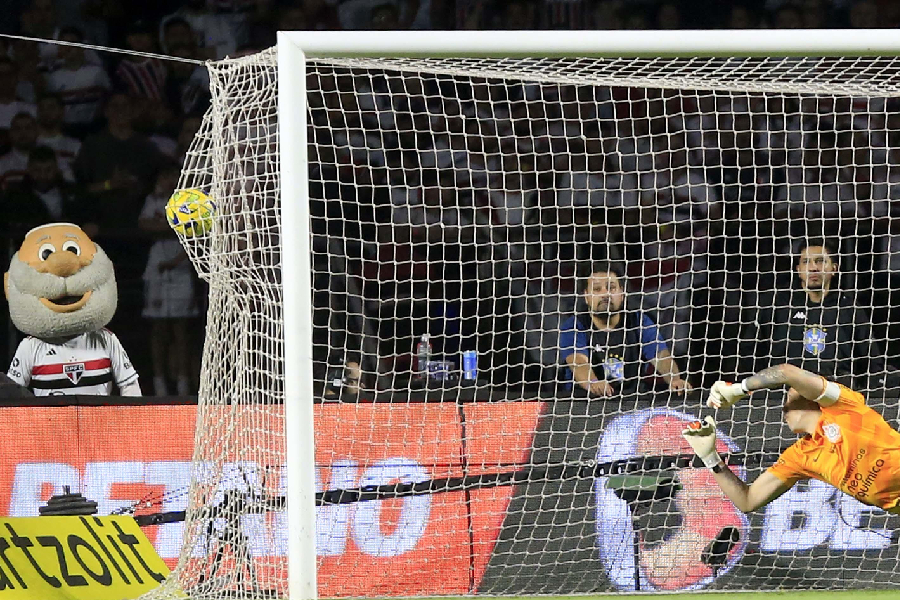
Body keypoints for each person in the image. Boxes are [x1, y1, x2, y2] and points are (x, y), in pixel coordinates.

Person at [682, 363, 900, 514]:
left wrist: (739, 389)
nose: (784, 405)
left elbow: (787, 373)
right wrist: (710, 457)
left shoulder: (843, 405)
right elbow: (747, 501)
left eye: (789, 393)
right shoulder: (799, 457)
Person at [735, 237, 886, 389]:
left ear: (834, 268)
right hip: (784, 394)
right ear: (798, 270)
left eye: (820, 261)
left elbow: (872, 360)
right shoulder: (777, 304)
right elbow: (750, 352)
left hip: (835, 394)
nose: (813, 268)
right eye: (806, 262)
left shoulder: (849, 308)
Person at [558, 261, 692, 397]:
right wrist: (593, 382)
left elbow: (661, 356)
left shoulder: (639, 321)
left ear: (622, 293)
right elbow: (579, 362)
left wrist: (674, 379)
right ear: (586, 296)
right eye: (597, 289)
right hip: (584, 403)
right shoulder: (574, 326)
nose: (606, 294)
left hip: (632, 402)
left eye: (611, 288)